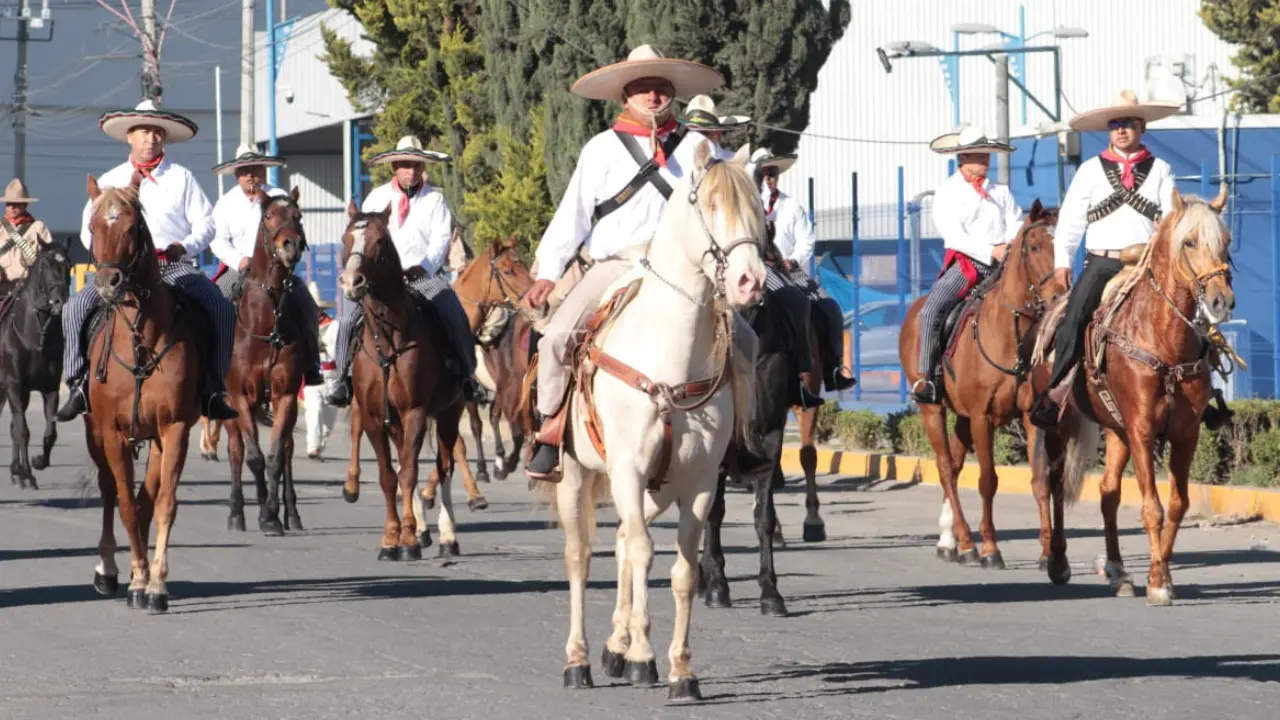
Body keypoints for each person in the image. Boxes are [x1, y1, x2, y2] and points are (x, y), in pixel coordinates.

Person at [521, 45, 765, 480]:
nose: (653, 97)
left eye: (661, 88)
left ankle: (737, 440)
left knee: (745, 343)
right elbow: (572, 215)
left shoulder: (698, 147)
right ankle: (551, 432)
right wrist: (546, 274)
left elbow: (733, 194)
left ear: (673, 95)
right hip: (615, 265)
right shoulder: (600, 149)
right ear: (625, 97)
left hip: (684, 272)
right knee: (556, 338)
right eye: (643, 89)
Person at [57, 99, 237, 422]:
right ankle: (78, 383)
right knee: (74, 308)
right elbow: (90, 230)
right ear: (130, 136)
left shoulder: (181, 178)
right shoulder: (109, 181)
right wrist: (107, 257)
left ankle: (213, 386)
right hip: (121, 273)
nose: (150, 139)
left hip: (174, 267)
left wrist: (186, 246)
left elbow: (207, 224)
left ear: (164, 139)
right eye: (143, 132)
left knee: (221, 308)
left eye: (157, 133)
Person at [1030, 90, 1179, 427]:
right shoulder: (1090, 170)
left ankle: (1204, 393)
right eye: (1115, 125)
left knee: (1190, 311)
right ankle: (1057, 391)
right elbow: (1070, 219)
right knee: (1075, 316)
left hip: (1148, 264)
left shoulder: (1160, 169)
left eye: (1127, 124)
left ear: (1141, 127)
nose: (1121, 131)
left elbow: (1171, 215)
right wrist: (1062, 262)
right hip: (1103, 262)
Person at [325, 135, 487, 407]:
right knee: (348, 318)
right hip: (379, 280)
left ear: (423, 168)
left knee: (454, 313)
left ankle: (468, 378)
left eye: (415, 165)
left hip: (423, 277)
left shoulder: (436, 200)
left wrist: (423, 267)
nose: (410, 171)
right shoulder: (376, 197)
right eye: (404, 165)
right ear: (394, 167)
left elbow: (440, 240)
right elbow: (362, 239)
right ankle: (341, 379)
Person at [910, 124, 1025, 404]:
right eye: (977, 155)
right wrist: (992, 250)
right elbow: (954, 236)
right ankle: (929, 377)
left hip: (1004, 266)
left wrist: (1009, 246)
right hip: (968, 266)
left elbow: (1017, 223)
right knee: (930, 311)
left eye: (986, 155)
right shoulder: (947, 192)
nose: (984, 159)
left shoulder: (1002, 191)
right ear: (962, 158)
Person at [208, 143, 323, 387]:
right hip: (238, 268)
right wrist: (239, 260)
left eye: (256, 169)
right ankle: (212, 368)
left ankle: (312, 363)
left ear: (263, 170)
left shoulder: (279, 195)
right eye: (246, 170)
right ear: (237, 175)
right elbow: (217, 240)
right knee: (215, 304)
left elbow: (291, 229)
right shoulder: (226, 203)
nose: (252, 175)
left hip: (276, 270)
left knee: (307, 303)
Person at [752, 147, 857, 396]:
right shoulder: (747, 204)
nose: (769, 179)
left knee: (829, 308)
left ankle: (832, 370)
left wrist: (793, 260)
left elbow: (806, 240)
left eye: (773, 174)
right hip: (755, 268)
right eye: (764, 174)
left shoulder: (792, 206)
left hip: (789, 269)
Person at [303, 281, 339, 459]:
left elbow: (338, 353)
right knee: (313, 409)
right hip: (313, 374)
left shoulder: (334, 326)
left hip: (332, 377)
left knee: (329, 422)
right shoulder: (304, 328)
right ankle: (312, 446)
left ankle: (319, 444)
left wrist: (323, 346)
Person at [0, 178, 55, 295]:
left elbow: (50, 260)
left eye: (16, 203)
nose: (12, 207)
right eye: (9, 204)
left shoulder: (38, 228)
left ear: (25, 205)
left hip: (31, 288)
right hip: (3, 286)